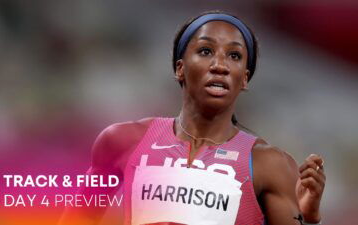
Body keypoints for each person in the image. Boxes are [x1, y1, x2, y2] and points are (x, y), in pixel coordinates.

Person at [59, 11, 325, 225]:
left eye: (234, 56)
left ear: (244, 78)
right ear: (180, 68)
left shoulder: (269, 165)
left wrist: (310, 219)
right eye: (206, 51)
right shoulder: (122, 141)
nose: (220, 65)